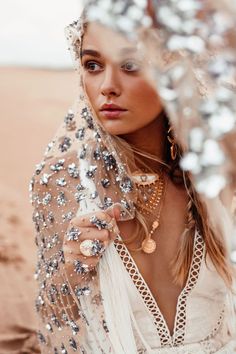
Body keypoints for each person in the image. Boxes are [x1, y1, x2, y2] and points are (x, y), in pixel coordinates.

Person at [29, 10, 236, 354]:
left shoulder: (214, 172)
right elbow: (54, 322)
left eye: (130, 65)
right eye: (92, 65)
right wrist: (71, 271)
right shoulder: (61, 179)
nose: (107, 86)